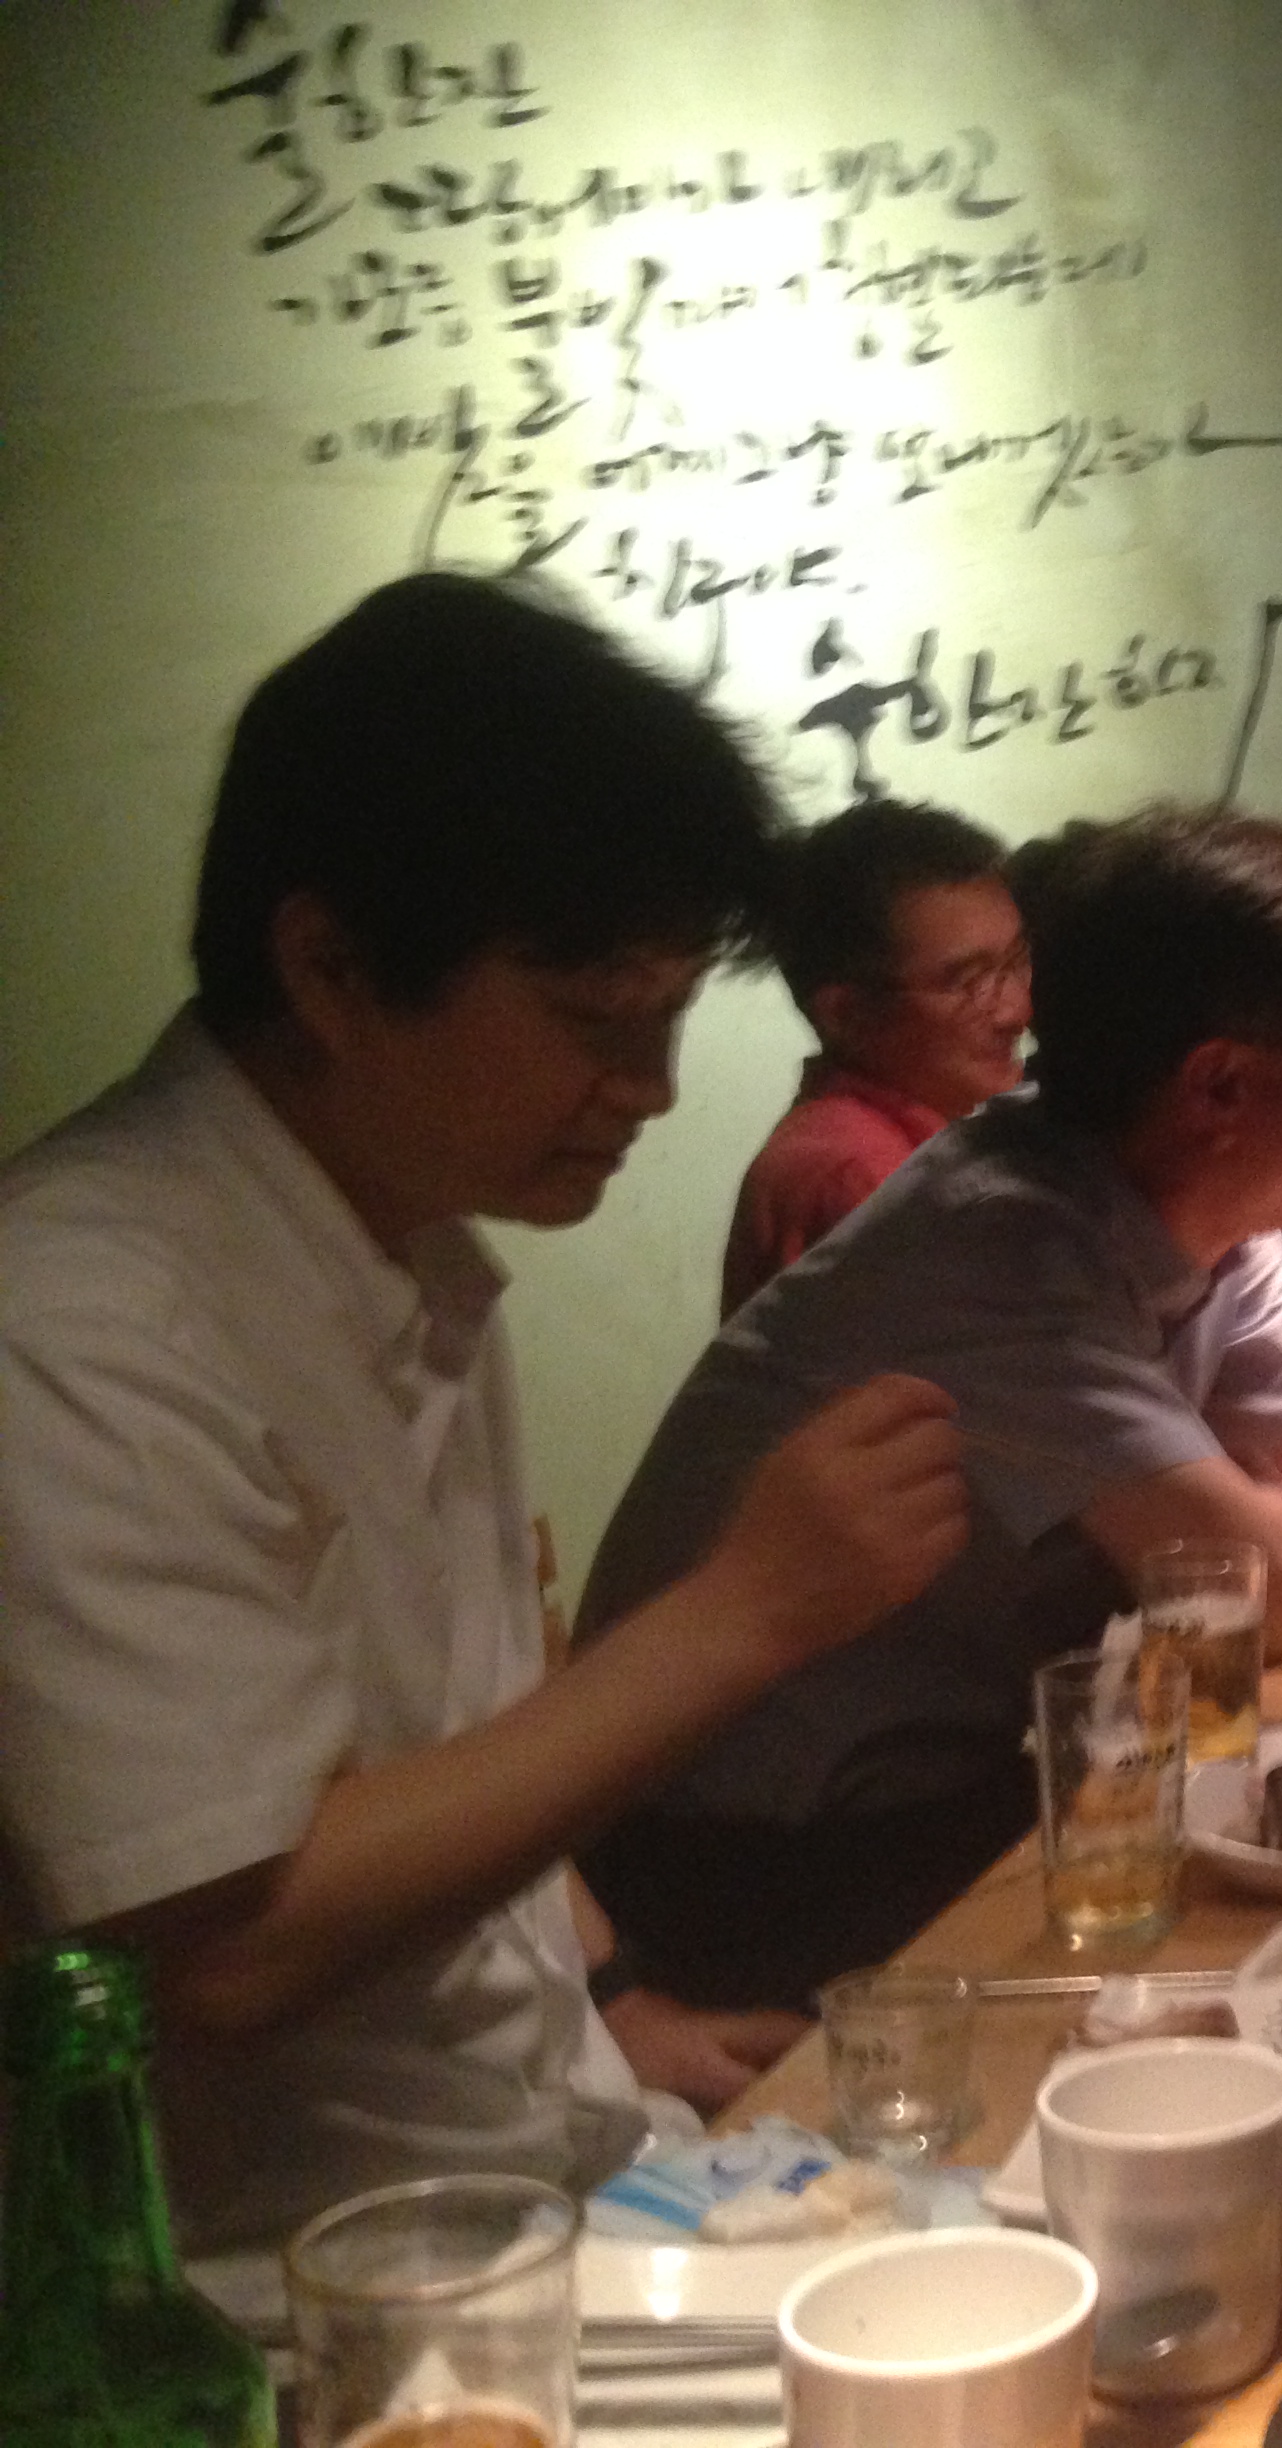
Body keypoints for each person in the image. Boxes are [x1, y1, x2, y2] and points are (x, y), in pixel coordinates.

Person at [0, 573, 969, 2251]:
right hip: (307, 2280)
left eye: (669, 1018)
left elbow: (461, 1749)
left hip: (546, 2153)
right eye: (598, 1022)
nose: (651, 1087)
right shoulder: (82, 1319)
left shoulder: (410, 1247)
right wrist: (748, 1607)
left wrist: (618, 1996)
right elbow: (231, 1941)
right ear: (330, 966)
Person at [575, 806, 1282, 2010]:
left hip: (965, 1779)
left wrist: (1256, 1535)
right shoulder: (995, 1245)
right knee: (1279, 1972)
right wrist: (1261, 1532)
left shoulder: (1204, 1200)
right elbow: (1258, 1588)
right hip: (762, 1860)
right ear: (1220, 1086)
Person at [722, 797, 1029, 1316]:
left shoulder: (944, 1133)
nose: (1016, 1012)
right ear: (846, 1015)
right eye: (968, 981)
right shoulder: (858, 1174)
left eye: (1017, 961)